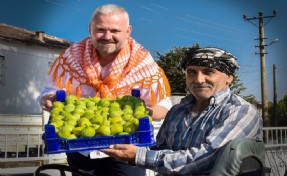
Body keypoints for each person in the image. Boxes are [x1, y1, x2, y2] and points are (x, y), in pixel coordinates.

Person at [38, 4, 172, 176]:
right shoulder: (71, 57)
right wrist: (48, 98)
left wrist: (148, 111)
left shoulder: (143, 63)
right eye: (100, 30)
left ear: (128, 31)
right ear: (90, 29)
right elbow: (49, 91)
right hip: (80, 148)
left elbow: (164, 105)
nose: (107, 36)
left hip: (126, 150)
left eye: (115, 30)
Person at [101, 47, 263, 175]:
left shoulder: (241, 111)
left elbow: (207, 157)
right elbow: (159, 149)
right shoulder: (177, 111)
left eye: (208, 72)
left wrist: (138, 156)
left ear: (229, 77)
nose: (198, 80)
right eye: (191, 72)